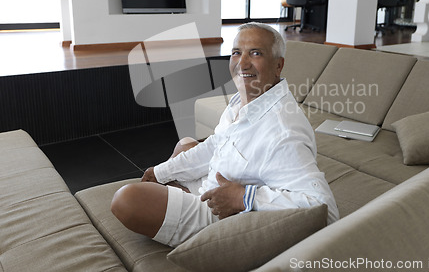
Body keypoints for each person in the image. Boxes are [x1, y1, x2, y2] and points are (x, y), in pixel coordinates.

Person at [111, 22, 339, 247]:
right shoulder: (246, 99)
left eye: (256, 53)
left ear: (278, 65)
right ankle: (180, 192)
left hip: (224, 213)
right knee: (186, 144)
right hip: (216, 183)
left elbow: (323, 208)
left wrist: (242, 198)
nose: (242, 63)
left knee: (126, 200)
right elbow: (216, 144)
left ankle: (181, 198)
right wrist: (159, 172)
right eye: (237, 53)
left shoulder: (283, 132)